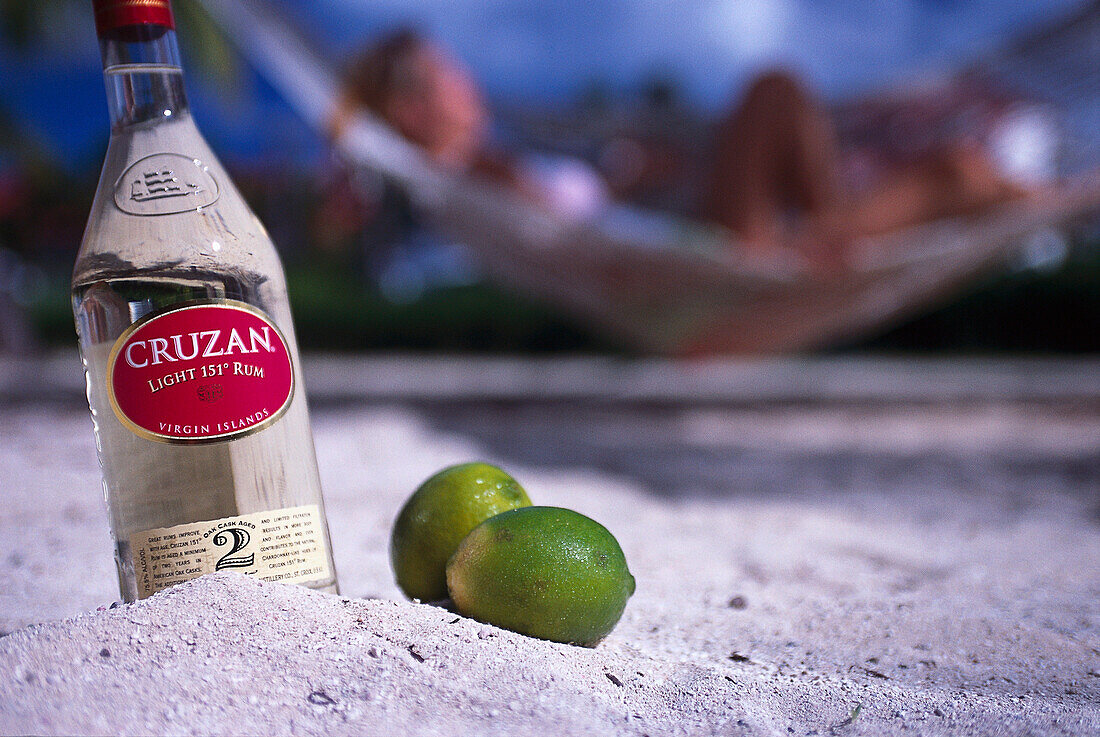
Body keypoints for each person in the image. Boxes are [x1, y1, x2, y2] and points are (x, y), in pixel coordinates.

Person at [329, 30, 1024, 265]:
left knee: (957, 171)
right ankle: (824, 226)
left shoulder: (498, 158)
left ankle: (1016, 194)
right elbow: (567, 234)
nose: (468, 79)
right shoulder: (463, 176)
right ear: (413, 105)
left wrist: (626, 179)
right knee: (774, 90)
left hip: (692, 234)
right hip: (710, 249)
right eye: (450, 72)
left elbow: (576, 216)